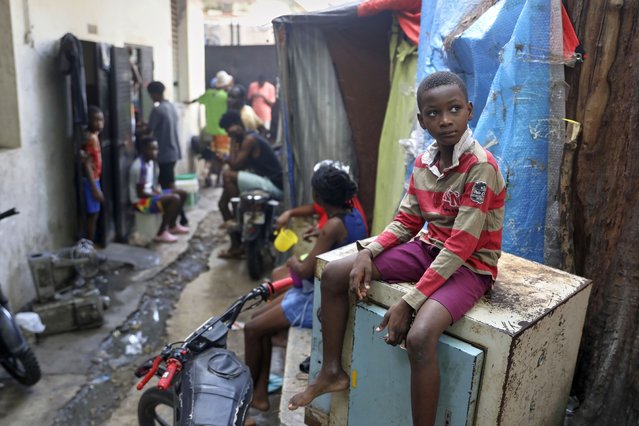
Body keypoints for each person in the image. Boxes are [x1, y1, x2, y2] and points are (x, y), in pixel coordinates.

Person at [288, 71, 506, 425]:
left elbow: (462, 245)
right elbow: (407, 221)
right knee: (335, 273)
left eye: (454, 109)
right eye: (433, 113)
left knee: (420, 337)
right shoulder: (424, 164)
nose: (445, 120)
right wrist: (368, 250)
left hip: (469, 266)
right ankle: (331, 372)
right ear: (422, 120)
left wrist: (411, 301)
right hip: (429, 249)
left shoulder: (480, 168)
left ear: (469, 110)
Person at [244, 164, 367, 414]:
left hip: (319, 298)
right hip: (327, 292)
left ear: (318, 198)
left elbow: (303, 271)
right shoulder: (353, 215)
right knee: (257, 322)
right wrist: (321, 237)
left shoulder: (333, 225)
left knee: (252, 328)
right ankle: (259, 395)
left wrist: (292, 261)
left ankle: (252, 394)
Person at [217, 110, 284, 258]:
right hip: (264, 182)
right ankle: (236, 246)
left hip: (273, 185)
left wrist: (232, 143)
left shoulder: (250, 140)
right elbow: (238, 166)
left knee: (228, 175)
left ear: (235, 126)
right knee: (222, 204)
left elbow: (234, 165)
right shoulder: (247, 138)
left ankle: (236, 214)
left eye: (228, 130)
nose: (228, 134)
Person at [129, 136, 189, 243]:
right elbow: (141, 193)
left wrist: (158, 192)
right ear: (143, 149)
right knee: (174, 199)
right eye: (151, 149)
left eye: (156, 149)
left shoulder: (151, 163)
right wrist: (160, 196)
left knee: (182, 193)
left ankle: (172, 225)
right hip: (140, 202)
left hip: (149, 194)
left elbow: (150, 185)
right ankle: (160, 233)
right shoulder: (140, 167)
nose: (154, 152)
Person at [146, 81, 188, 226]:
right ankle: (179, 218)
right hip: (173, 151)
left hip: (164, 152)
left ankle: (177, 219)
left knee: (167, 188)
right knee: (169, 185)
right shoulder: (172, 106)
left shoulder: (157, 110)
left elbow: (148, 130)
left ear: (154, 94)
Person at [189, 70, 234, 186]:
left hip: (210, 131)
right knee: (221, 157)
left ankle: (209, 176)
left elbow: (196, 100)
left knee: (212, 157)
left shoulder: (208, 94)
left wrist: (187, 102)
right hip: (222, 132)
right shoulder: (226, 97)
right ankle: (218, 179)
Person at [80, 106, 105, 242]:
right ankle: (89, 246)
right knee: (92, 215)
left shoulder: (95, 136)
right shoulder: (90, 139)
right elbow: (87, 163)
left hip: (95, 179)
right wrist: (95, 189)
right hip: (91, 181)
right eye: (95, 120)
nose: (99, 124)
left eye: (101, 120)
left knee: (95, 214)